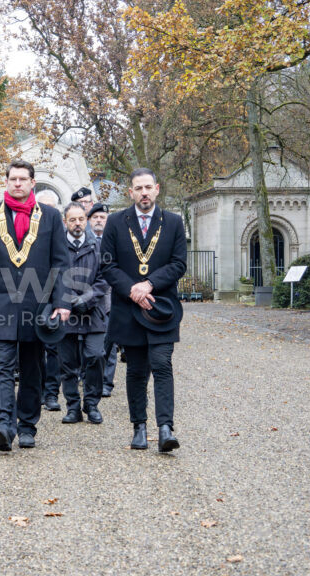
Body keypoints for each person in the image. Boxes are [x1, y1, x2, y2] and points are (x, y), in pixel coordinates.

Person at [0, 159, 71, 451]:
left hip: (36, 305)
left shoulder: (51, 216)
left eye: (22, 179)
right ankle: (3, 424)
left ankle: (27, 426)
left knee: (32, 368)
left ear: (32, 183)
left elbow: (61, 264)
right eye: (12, 179)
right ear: (7, 182)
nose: (17, 184)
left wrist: (62, 302)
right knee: (0, 366)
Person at [100, 167, 187, 452]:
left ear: (157, 189)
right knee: (136, 370)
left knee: (162, 365)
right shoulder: (115, 222)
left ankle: (165, 428)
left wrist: (148, 284)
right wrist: (132, 290)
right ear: (131, 192)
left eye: (148, 187)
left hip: (161, 307)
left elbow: (178, 264)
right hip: (129, 309)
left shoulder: (173, 222)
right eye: (139, 188)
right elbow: (108, 265)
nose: (144, 193)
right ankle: (139, 425)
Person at [58, 202, 109, 425]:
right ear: (65, 222)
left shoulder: (98, 246)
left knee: (96, 356)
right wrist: (68, 301)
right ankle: (72, 407)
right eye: (72, 220)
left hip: (94, 311)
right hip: (65, 312)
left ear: (86, 220)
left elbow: (105, 277)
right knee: (67, 363)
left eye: (80, 219)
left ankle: (92, 404)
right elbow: (51, 276)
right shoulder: (57, 247)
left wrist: (86, 299)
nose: (77, 224)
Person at [35, 189, 64, 411]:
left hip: (54, 297)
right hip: (32, 296)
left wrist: (62, 301)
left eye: (50, 208)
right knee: (33, 348)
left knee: (53, 348)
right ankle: (37, 389)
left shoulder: (61, 231)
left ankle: (52, 392)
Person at [88, 203, 119, 397]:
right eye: (95, 217)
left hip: (110, 300)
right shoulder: (84, 240)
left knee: (111, 343)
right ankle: (90, 379)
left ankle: (107, 382)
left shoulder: (115, 241)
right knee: (91, 347)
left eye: (103, 217)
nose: (99, 220)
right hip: (89, 299)